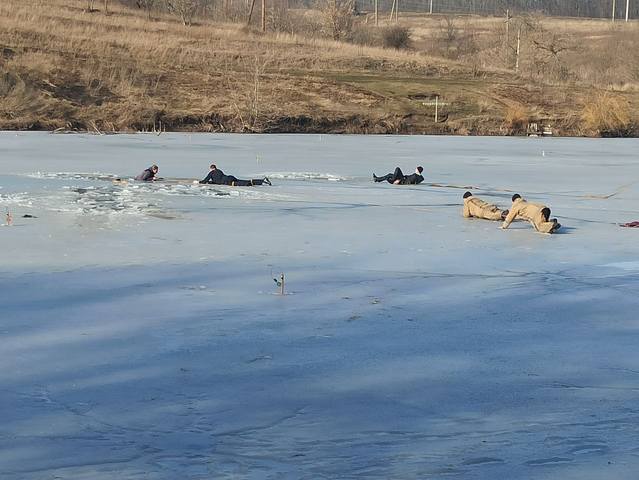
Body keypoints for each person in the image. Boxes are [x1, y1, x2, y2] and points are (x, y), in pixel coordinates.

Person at [199, 164, 271, 186]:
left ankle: (251, 183)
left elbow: (206, 180)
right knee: (245, 181)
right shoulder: (219, 171)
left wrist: (199, 182)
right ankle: (262, 181)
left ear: (211, 168)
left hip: (228, 181)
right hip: (230, 177)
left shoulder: (211, 173)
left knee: (244, 183)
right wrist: (211, 182)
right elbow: (217, 180)